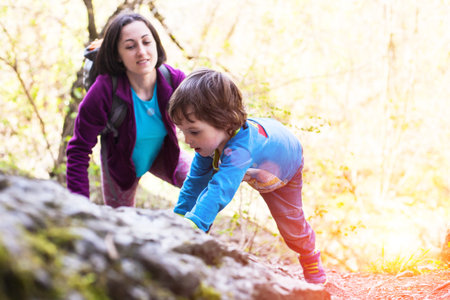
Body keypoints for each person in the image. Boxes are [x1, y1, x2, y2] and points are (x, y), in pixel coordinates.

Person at [167, 68, 326, 284]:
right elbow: (194, 184)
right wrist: (177, 221)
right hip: (253, 158)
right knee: (205, 191)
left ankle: (310, 257)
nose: (187, 139)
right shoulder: (209, 143)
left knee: (291, 224)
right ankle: (198, 239)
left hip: (283, 169)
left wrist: (193, 224)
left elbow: (220, 190)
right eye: (182, 131)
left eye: (193, 132)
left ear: (225, 123)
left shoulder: (240, 149)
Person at [66, 12, 191, 208]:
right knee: (119, 224)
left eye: (146, 42)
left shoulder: (173, 79)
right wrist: (79, 207)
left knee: (202, 183)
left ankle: (191, 234)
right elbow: (78, 151)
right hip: (120, 166)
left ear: (156, 44)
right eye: (130, 46)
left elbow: (207, 115)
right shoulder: (104, 91)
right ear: (117, 55)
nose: (141, 52)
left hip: (165, 154)